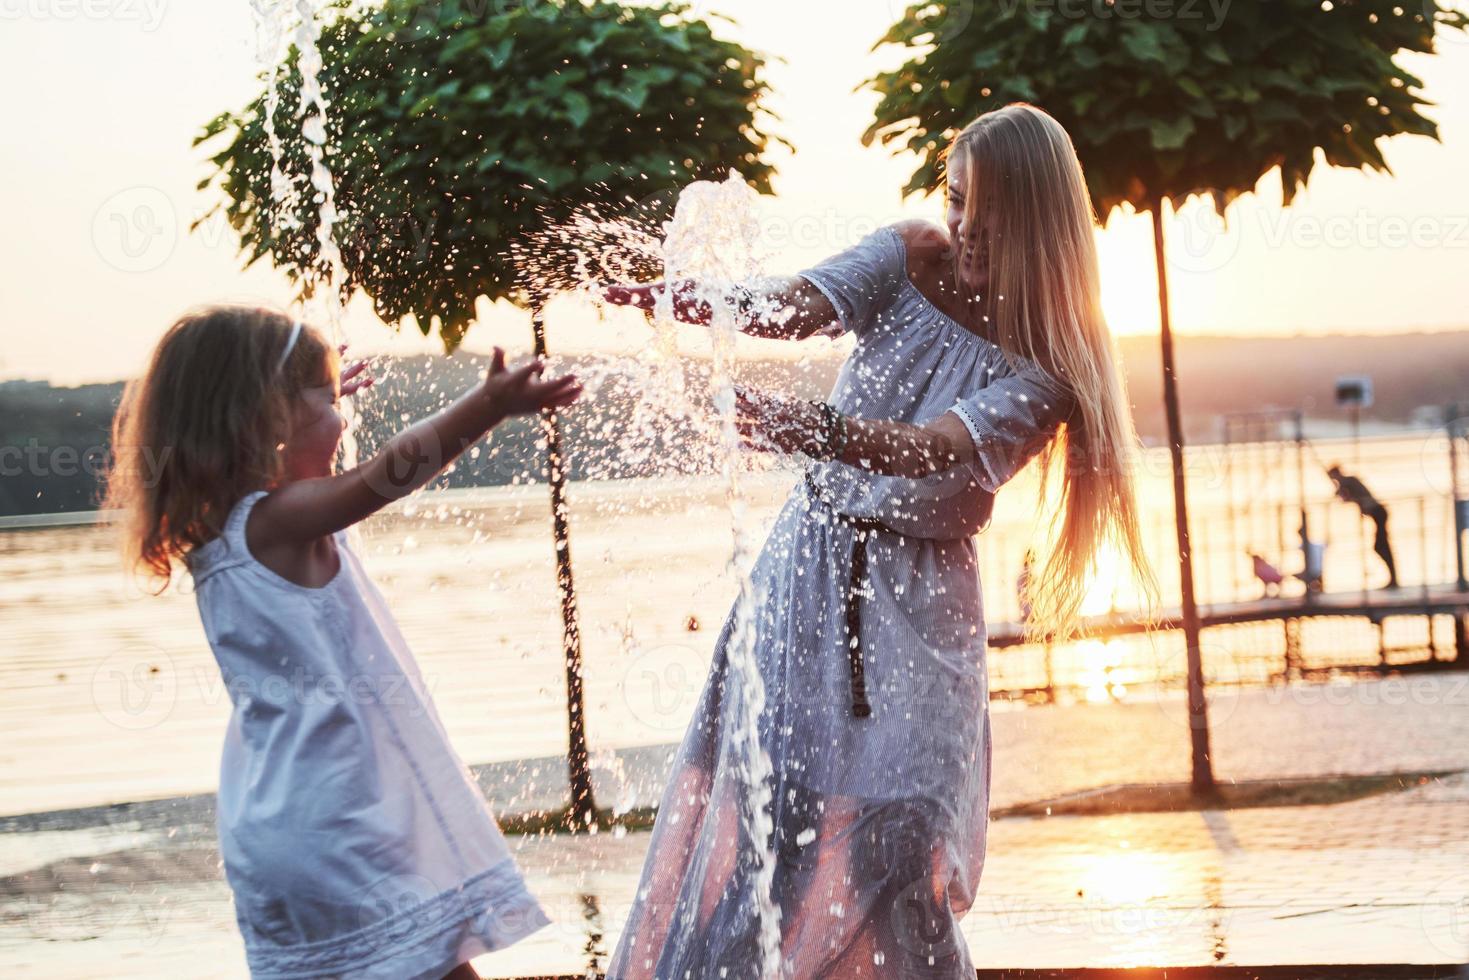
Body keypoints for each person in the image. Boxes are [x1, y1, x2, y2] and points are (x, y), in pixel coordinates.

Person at [602, 103, 1154, 979]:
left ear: (1039, 213)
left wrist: (812, 430)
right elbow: (792, 308)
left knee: (906, 841)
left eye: (986, 204)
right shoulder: (909, 253)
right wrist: (692, 301)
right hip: (809, 564)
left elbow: (933, 449)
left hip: (925, 597)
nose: (963, 222)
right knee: (774, 830)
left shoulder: (1052, 365)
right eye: (956, 196)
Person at [103, 306, 580, 980]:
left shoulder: (219, 536)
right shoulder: (277, 525)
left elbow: (326, 472)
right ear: (265, 421)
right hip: (341, 823)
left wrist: (316, 406)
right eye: (329, 402)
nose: (346, 418)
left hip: (284, 819)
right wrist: (487, 405)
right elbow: (385, 476)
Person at [1326, 464, 1398, 589]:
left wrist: (1336, 487)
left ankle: (1394, 580)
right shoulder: (1348, 482)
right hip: (1377, 514)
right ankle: (1393, 579)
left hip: (1379, 513)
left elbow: (1343, 495)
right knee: (1381, 546)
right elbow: (1346, 497)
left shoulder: (1348, 480)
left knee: (1380, 546)